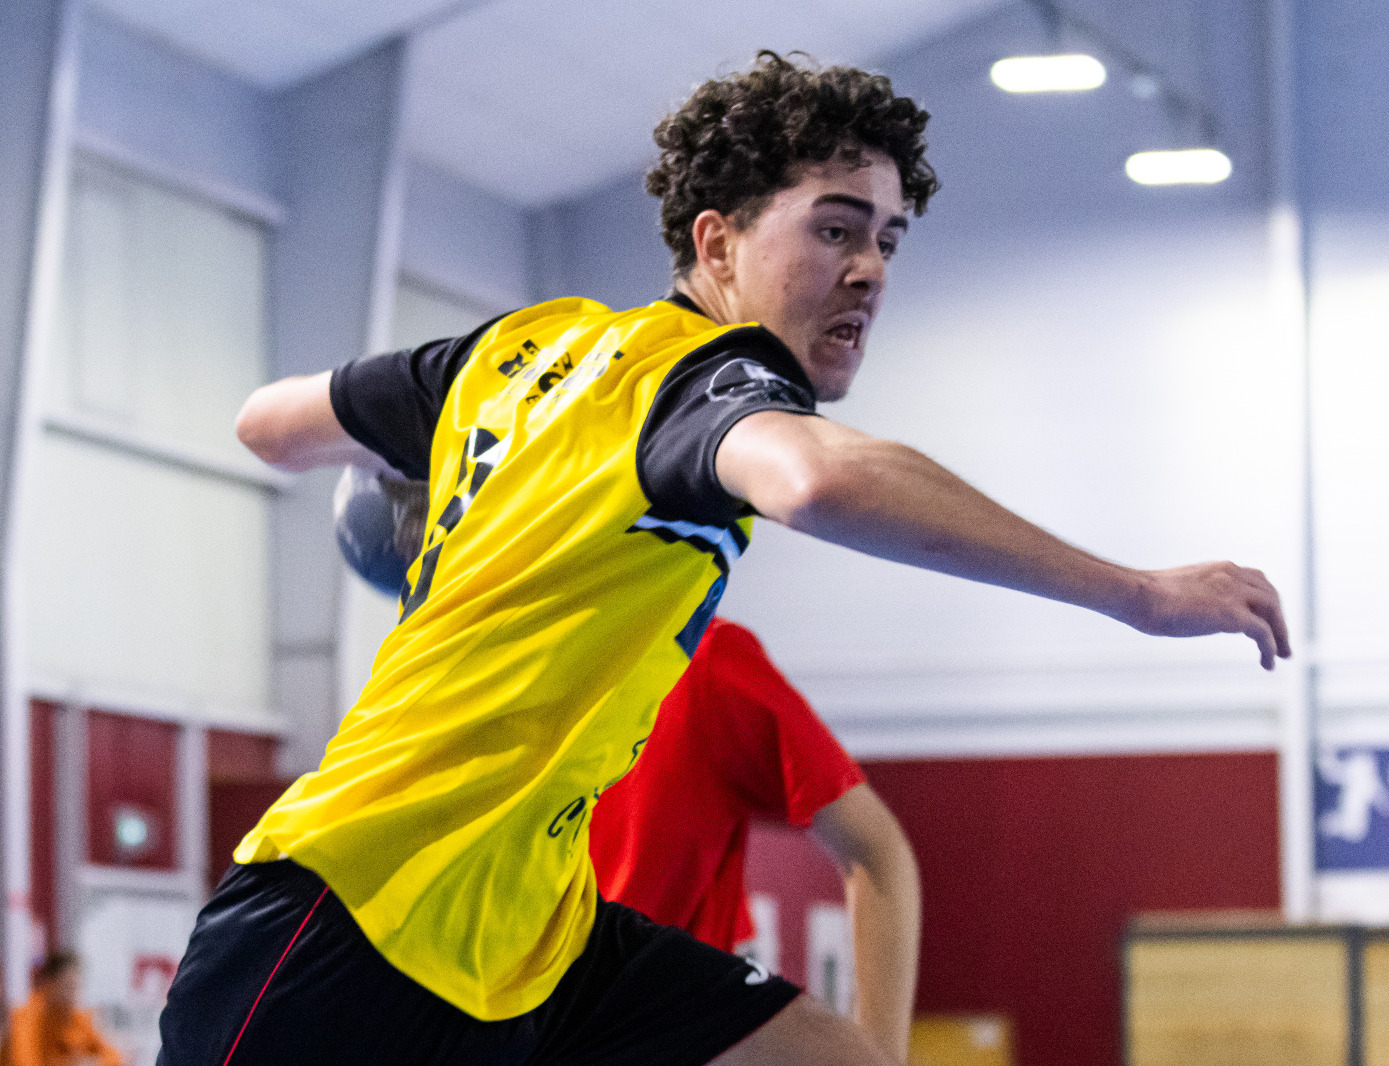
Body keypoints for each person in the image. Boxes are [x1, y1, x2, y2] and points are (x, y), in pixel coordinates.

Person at [157, 51, 1289, 1066]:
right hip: (351, 908)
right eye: (835, 229)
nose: (870, 269)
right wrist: (1136, 593)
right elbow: (816, 479)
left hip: (532, 927)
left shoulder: (513, 353)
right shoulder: (705, 377)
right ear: (715, 243)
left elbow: (270, 425)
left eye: (888, 239)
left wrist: (466, 486)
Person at [589, 617, 919, 1062]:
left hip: (667, 1029)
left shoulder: (699, 659)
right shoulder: (505, 662)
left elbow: (873, 845)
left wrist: (880, 1057)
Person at [3, 951, 122, 1066]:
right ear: (49, 984)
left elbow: (114, 1055)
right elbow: (22, 1062)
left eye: (77, 987)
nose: (74, 994)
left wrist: (94, 1063)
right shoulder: (24, 1017)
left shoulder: (77, 1016)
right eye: (68, 986)